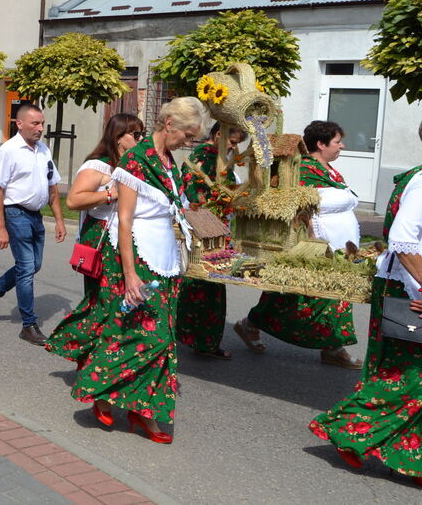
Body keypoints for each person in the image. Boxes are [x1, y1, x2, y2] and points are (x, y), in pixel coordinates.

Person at [57, 97, 207, 442]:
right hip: (135, 258)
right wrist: (130, 274)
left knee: (161, 339)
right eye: (187, 134)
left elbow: (180, 209)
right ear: (168, 124)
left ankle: (143, 413)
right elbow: (123, 220)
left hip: (166, 260)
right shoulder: (135, 162)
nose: (189, 142)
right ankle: (100, 389)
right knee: (145, 336)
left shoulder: (170, 163)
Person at [309, 120, 422, 487]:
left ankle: (406, 456)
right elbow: (403, 240)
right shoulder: (421, 181)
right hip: (410, 289)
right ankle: (347, 429)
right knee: (405, 377)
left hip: (409, 283)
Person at [235, 120, 362, 368]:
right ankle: (332, 347)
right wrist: (311, 239)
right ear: (321, 144)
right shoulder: (303, 170)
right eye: (337, 142)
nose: (342, 146)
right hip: (316, 242)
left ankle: (329, 346)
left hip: (340, 245)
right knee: (303, 294)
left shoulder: (330, 171)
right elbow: (298, 208)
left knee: (320, 295)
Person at [45, 113, 145, 361]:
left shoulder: (132, 165)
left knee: (119, 300)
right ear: (119, 137)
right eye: (136, 134)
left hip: (123, 238)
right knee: (103, 301)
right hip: (100, 239)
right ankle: (76, 346)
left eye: (142, 134)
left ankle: (105, 355)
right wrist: (110, 194)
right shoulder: (99, 165)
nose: (141, 139)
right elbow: (74, 200)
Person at [0, 104, 66, 346]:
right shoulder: (8, 151)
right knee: (26, 268)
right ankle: (29, 325)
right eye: (35, 123)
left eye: (42, 123)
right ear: (19, 124)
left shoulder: (43, 150)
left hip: (36, 215)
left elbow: (53, 186)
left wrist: (59, 219)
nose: (40, 128)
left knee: (33, 265)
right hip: (15, 213)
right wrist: (0, 227)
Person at [176, 122, 247, 360]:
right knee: (206, 284)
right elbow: (197, 196)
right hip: (205, 228)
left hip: (216, 227)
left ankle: (197, 338)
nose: (234, 148)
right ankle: (201, 340)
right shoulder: (201, 158)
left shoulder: (218, 159)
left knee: (208, 285)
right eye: (233, 142)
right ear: (219, 135)